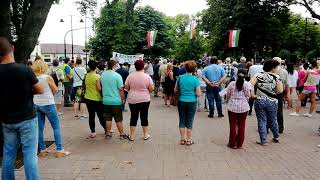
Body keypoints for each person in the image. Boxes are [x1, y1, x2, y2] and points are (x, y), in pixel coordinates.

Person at [0, 37, 43, 179]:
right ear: (12, 48)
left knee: (8, 154)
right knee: (30, 155)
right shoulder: (24, 70)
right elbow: (40, 89)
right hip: (27, 119)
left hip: (7, 120)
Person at [32, 59, 71, 158]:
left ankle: (42, 149)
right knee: (56, 126)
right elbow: (55, 89)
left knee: (39, 128)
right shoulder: (47, 77)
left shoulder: (32, 78)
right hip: (48, 103)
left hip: (36, 103)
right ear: (43, 67)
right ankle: (59, 150)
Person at [250, 60, 283, 146]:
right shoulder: (277, 77)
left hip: (259, 100)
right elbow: (279, 91)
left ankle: (263, 140)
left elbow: (250, 84)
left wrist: (253, 94)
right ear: (273, 68)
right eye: (276, 67)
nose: (277, 69)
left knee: (261, 120)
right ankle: (276, 136)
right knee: (273, 120)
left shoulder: (258, 75)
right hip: (272, 101)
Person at [125, 60, 154, 141]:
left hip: (133, 99)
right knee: (144, 116)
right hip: (144, 99)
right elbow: (151, 89)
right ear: (143, 66)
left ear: (135, 66)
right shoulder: (147, 76)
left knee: (133, 117)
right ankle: (145, 134)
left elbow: (126, 88)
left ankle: (132, 136)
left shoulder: (130, 76)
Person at [99, 60, 128, 140]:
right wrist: (123, 99)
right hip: (116, 101)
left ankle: (108, 134)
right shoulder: (117, 76)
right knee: (118, 119)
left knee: (108, 119)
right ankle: (121, 134)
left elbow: (100, 87)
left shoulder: (102, 75)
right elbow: (121, 89)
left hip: (105, 101)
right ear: (114, 66)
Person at [175, 61, 201, 146]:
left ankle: (182, 139)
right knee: (189, 121)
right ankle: (189, 140)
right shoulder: (195, 79)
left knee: (182, 120)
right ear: (194, 70)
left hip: (181, 101)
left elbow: (175, 90)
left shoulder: (180, 77)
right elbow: (199, 94)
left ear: (185, 68)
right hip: (192, 102)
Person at [226, 69, 253, 149]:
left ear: (237, 74)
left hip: (232, 107)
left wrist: (229, 100)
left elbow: (228, 94)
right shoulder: (247, 84)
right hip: (244, 107)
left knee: (233, 125)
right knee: (242, 125)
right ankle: (240, 144)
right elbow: (248, 95)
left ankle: (232, 143)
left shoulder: (232, 84)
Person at [84, 60, 106, 138]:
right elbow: (99, 88)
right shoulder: (97, 76)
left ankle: (93, 132)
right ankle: (106, 130)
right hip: (96, 98)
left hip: (87, 98)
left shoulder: (86, 75)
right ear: (96, 67)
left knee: (91, 115)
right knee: (100, 115)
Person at [274, 57, 288, 134]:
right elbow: (286, 84)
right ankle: (280, 127)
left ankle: (268, 126)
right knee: (279, 110)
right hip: (281, 92)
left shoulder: (271, 70)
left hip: (272, 91)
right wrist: (286, 94)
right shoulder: (284, 71)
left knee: (270, 109)